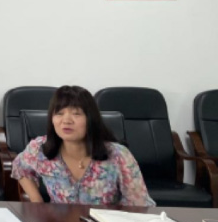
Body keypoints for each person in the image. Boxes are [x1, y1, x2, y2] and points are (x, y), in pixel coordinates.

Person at [11, 85, 154, 206]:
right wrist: (37, 202)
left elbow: (139, 205)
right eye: (59, 113)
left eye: (76, 114)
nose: (66, 120)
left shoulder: (119, 155)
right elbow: (20, 167)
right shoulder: (40, 148)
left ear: (91, 119)